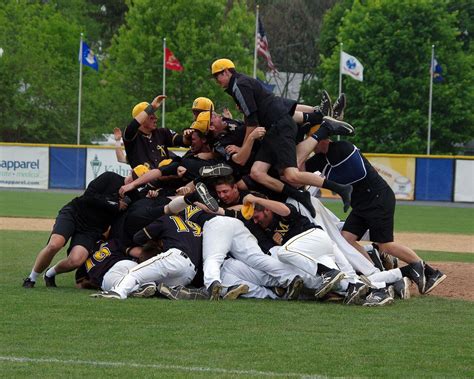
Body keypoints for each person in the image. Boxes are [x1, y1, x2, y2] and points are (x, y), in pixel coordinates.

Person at [210, 58, 354, 213]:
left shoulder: (239, 85)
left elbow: (252, 122)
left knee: (291, 175)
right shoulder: (242, 83)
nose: (216, 81)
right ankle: (321, 117)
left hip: (279, 128)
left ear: (225, 72)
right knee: (257, 172)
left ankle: (340, 188)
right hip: (275, 128)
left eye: (216, 76)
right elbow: (274, 107)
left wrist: (242, 146)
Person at [305, 139, 447, 294]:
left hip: (378, 198)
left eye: (314, 141)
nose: (313, 147)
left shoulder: (341, 147)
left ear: (324, 139)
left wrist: (330, 180)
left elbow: (358, 173)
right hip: (361, 204)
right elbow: (299, 167)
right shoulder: (319, 158)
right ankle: (376, 273)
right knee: (345, 239)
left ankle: (429, 272)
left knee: (385, 245)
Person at [22, 171, 134, 288]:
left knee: (76, 260)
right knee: (55, 244)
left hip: (92, 229)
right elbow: (89, 195)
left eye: (137, 179)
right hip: (75, 213)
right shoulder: (110, 177)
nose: (133, 180)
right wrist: (115, 204)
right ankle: (31, 278)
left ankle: (50, 274)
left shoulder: (133, 196)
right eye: (134, 175)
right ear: (130, 172)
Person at [123, 95, 191, 169]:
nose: (156, 118)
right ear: (142, 119)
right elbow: (132, 127)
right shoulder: (132, 136)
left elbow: (182, 141)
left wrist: (187, 136)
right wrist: (151, 107)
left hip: (165, 177)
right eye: (151, 116)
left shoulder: (162, 132)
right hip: (143, 178)